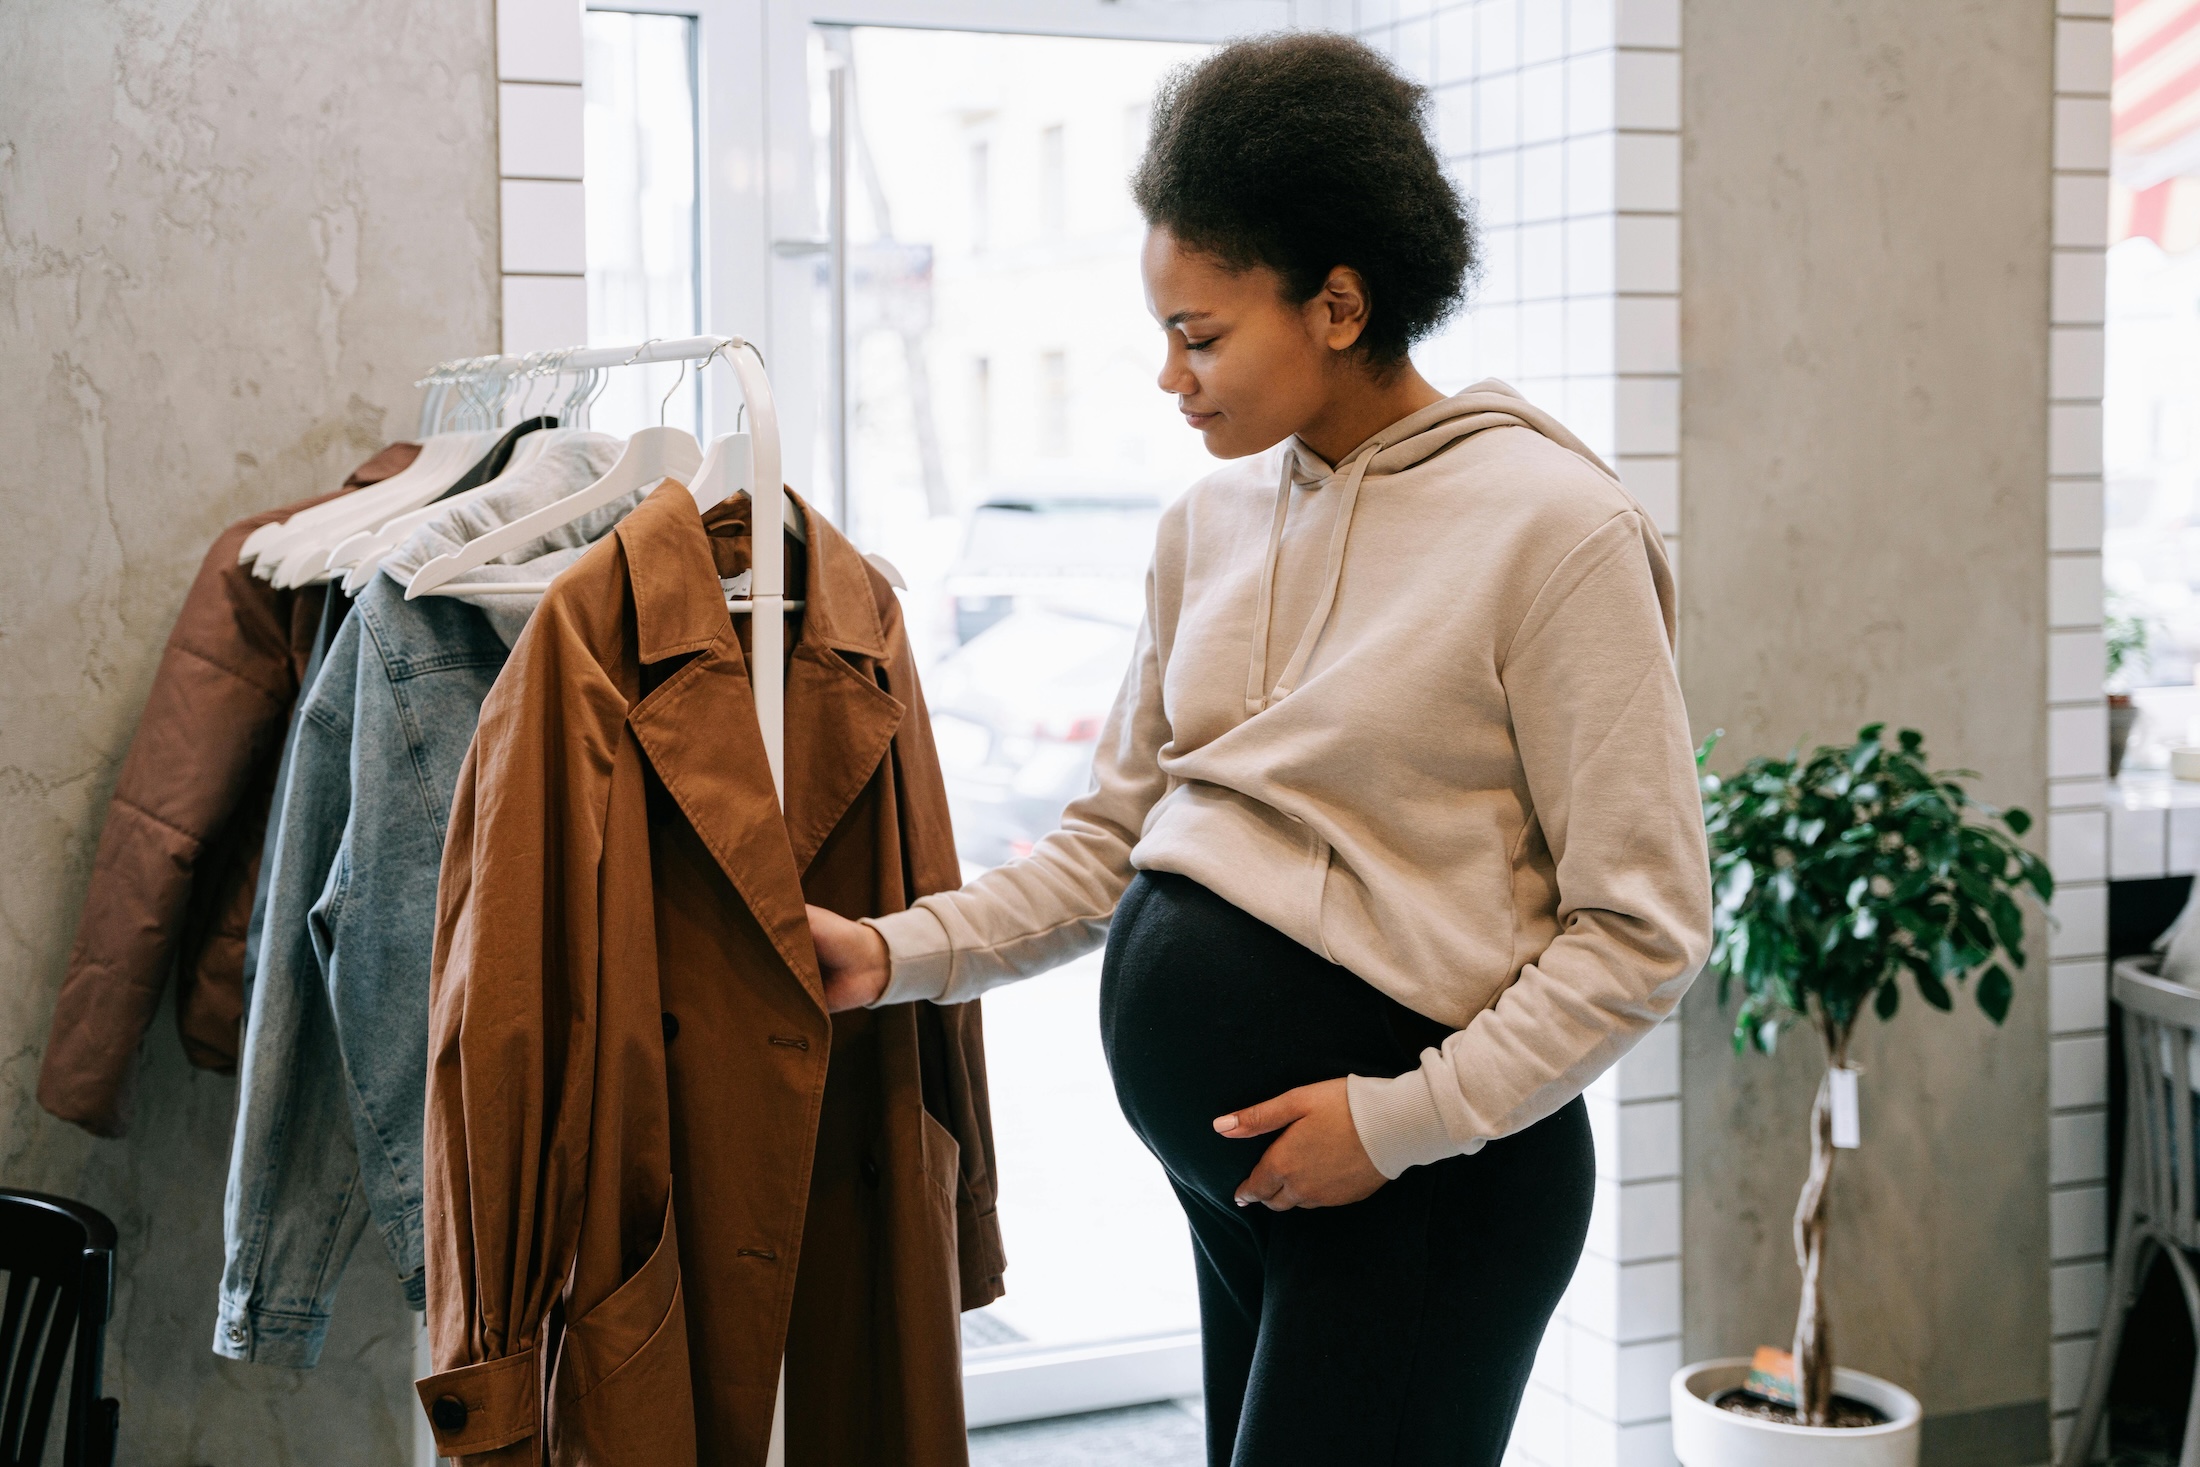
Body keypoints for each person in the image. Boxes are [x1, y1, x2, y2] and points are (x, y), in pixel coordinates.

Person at [807, 31, 1712, 1467]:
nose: (1171, 376)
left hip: (1428, 1190)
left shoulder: (1554, 530)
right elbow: (1112, 843)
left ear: (1339, 305)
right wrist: (893, 952)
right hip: (1248, 1184)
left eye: (1203, 334)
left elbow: (1645, 929)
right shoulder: (1204, 527)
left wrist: (1401, 1123)